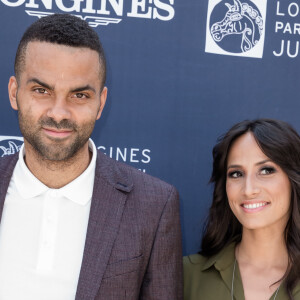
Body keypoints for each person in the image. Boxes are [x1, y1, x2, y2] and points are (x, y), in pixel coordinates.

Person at [0, 13, 183, 299]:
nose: (58, 113)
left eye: (79, 95)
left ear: (101, 103)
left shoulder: (153, 207)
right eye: (41, 90)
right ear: (14, 93)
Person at [184, 119, 300, 300]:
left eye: (266, 170)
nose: (248, 190)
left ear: (293, 179)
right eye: (236, 174)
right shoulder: (186, 275)